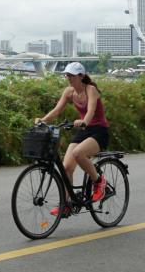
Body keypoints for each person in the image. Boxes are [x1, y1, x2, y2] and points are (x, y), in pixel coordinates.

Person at [36, 61, 110, 211]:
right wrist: (42, 120)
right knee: (66, 167)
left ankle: (99, 181)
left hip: (99, 131)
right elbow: (57, 110)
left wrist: (84, 122)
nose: (68, 78)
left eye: (72, 75)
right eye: (67, 75)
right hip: (84, 131)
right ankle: (66, 204)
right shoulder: (69, 92)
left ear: (81, 76)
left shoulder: (91, 90)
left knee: (78, 154)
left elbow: (90, 111)